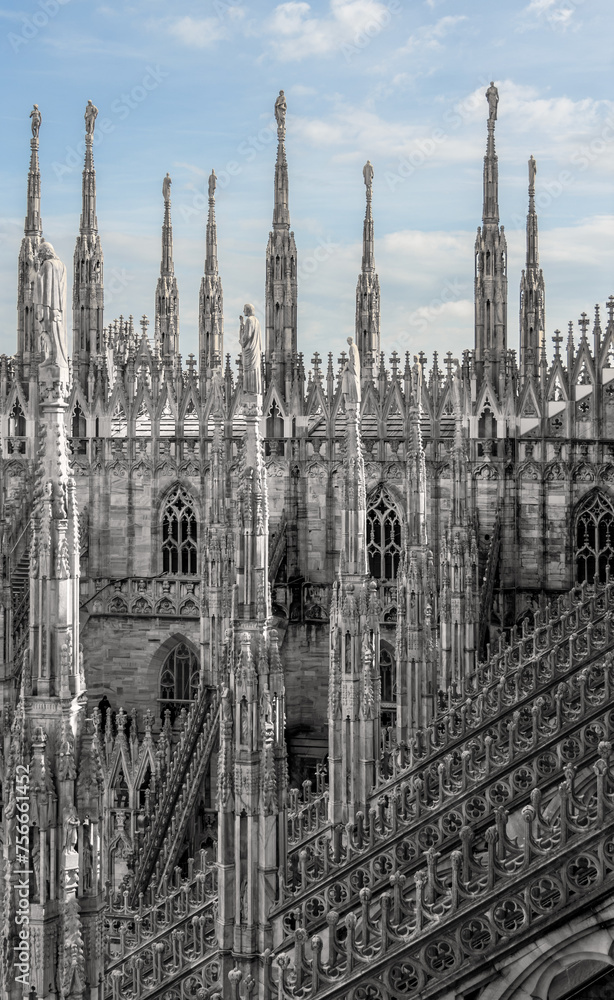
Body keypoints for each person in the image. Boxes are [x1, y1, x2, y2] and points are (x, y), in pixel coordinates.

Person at [37, 241, 69, 378]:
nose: (39, 256)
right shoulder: (62, 265)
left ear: (45, 252)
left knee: (46, 331)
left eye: (40, 253)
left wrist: (43, 308)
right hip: (59, 309)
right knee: (57, 334)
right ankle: (57, 357)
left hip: (49, 306)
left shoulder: (48, 264)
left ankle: (52, 356)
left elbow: (47, 287)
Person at [239, 304, 263, 396]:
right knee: (254, 370)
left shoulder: (249, 320)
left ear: (248, 310)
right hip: (255, 350)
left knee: (249, 371)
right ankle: (255, 390)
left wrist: (242, 341)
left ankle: (249, 390)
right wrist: (242, 324)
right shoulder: (256, 321)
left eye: (244, 309)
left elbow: (248, 335)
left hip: (250, 350)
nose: (243, 311)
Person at [341, 336, 361, 404]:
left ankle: (352, 398)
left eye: (348, 341)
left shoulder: (352, 347)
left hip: (352, 369)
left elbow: (353, 358)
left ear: (350, 341)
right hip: (354, 368)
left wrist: (348, 364)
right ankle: (353, 398)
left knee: (351, 384)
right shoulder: (355, 346)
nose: (347, 343)